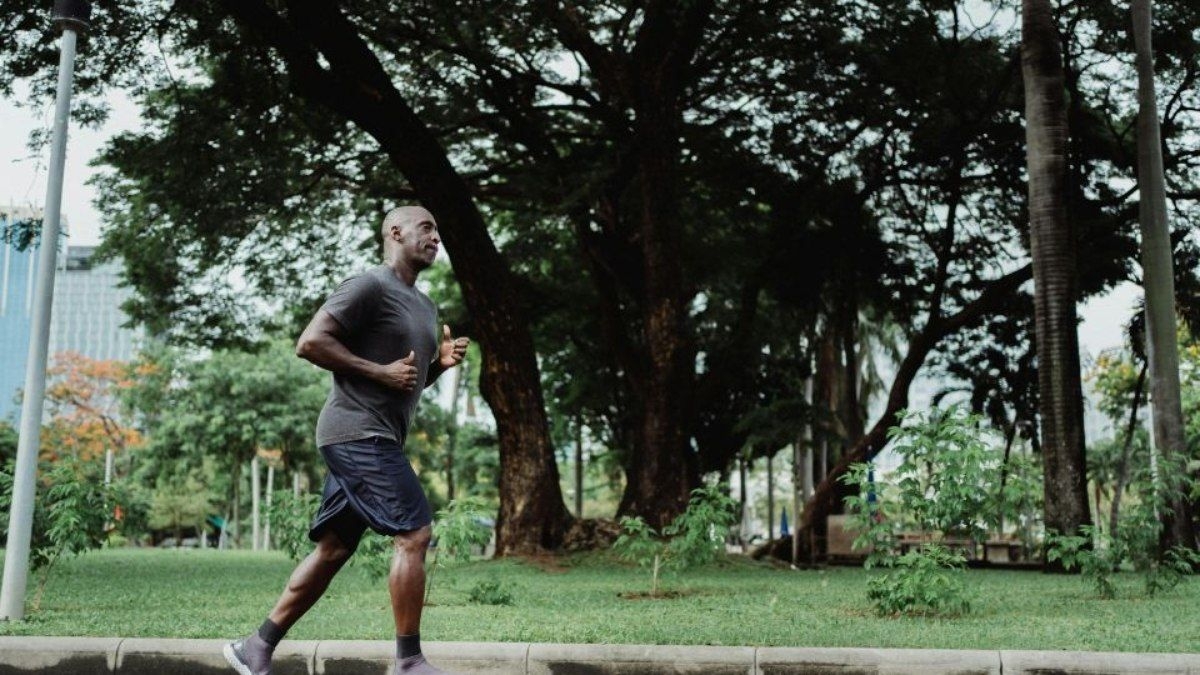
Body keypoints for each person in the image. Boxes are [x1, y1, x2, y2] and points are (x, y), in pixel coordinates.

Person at [224, 206, 469, 675]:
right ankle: (409, 662)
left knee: (334, 548)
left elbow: (406, 382)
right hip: (356, 431)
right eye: (427, 228)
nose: (436, 237)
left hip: (374, 435)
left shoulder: (424, 305)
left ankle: (254, 648)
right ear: (395, 232)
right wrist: (379, 371)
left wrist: (438, 365)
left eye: (438, 230)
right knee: (414, 533)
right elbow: (310, 342)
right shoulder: (368, 286)